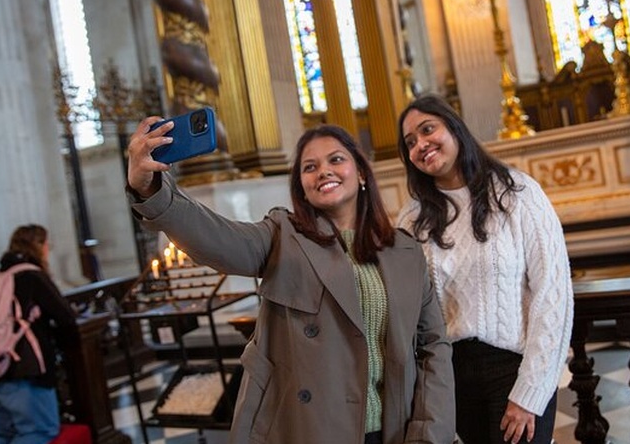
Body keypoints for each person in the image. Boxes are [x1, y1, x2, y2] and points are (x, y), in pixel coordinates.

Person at [126, 120, 455, 444]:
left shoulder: (405, 251)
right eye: (310, 167)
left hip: (395, 430)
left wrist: (428, 435)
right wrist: (152, 189)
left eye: (336, 159)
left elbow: (433, 347)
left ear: (362, 173)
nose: (323, 171)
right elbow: (217, 238)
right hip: (310, 430)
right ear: (302, 187)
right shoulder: (282, 236)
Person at [396, 96, 573, 444]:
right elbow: (410, 311)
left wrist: (530, 391)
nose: (421, 145)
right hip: (453, 375)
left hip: (515, 365)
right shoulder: (412, 219)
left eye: (428, 129)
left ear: (454, 128)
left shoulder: (517, 193)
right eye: (410, 143)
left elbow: (554, 293)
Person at [0, 224, 79, 444]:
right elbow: (66, 317)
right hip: (23, 370)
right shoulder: (31, 276)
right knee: (37, 432)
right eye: (47, 245)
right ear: (39, 246)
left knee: (1, 436)